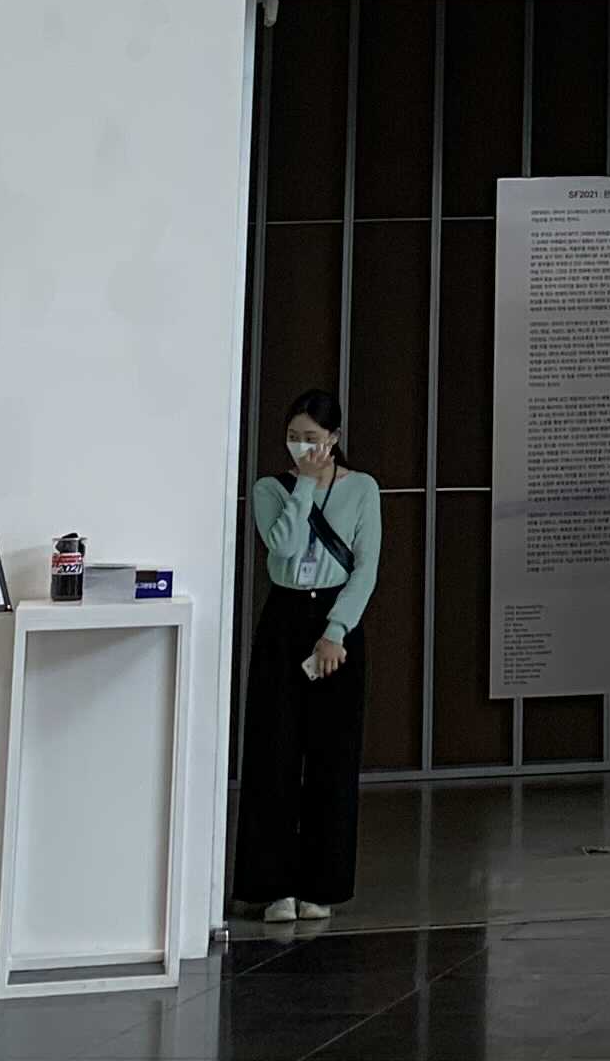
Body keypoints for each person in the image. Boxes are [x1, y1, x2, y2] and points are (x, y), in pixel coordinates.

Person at [232, 388, 378, 922]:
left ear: (334, 438)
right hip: (285, 619)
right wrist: (305, 488)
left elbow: (365, 568)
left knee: (332, 756)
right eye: (293, 438)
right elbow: (284, 550)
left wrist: (336, 631)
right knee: (273, 751)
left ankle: (322, 884)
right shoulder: (270, 489)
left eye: (312, 438)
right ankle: (272, 886)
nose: (301, 447)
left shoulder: (363, 488)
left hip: (337, 623)